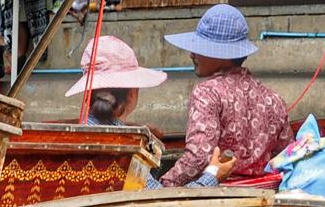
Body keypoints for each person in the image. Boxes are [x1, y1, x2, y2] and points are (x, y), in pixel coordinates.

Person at [69, 35, 230, 187]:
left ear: (88, 94)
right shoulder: (125, 147)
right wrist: (212, 175)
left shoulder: (76, 135)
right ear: (132, 93)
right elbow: (162, 201)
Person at [158, 3, 290, 186]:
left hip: (220, 196)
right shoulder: (274, 99)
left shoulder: (207, 93)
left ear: (221, 54)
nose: (192, 55)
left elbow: (198, 157)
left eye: (200, 48)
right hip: (265, 193)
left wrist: (163, 185)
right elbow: (287, 155)